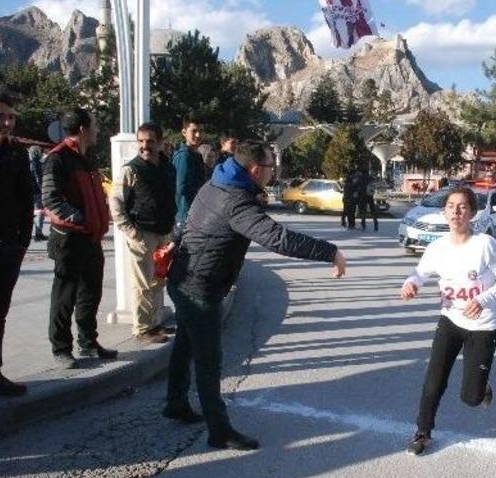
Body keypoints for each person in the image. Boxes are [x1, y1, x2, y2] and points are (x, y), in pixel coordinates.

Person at [164, 141, 347, 451]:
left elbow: (191, 224)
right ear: (254, 170)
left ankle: (176, 402)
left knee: (185, 344)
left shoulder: (217, 181)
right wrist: (330, 252)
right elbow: (278, 238)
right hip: (200, 287)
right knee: (209, 361)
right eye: (270, 169)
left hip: (184, 277)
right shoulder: (235, 201)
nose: (272, 174)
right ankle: (219, 431)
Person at [401, 187, 496, 455]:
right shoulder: (437, 248)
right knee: (434, 380)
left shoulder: (485, 245)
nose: (456, 211)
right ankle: (422, 433)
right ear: (444, 211)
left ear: (472, 213)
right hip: (450, 320)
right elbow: (419, 273)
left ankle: (481, 387)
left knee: (471, 398)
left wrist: (483, 300)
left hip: (483, 325)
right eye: (451, 206)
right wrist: (411, 284)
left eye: (463, 206)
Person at [42, 107, 117, 369]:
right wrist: (81, 219)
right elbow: (51, 199)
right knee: (65, 296)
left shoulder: (88, 157)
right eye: (94, 125)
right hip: (69, 240)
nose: (96, 130)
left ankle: (88, 342)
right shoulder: (58, 158)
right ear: (84, 129)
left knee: (90, 293)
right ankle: (61, 348)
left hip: (91, 239)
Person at [109, 122, 177, 344]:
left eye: (150, 141)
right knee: (142, 283)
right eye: (141, 141)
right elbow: (116, 202)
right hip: (143, 234)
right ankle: (142, 328)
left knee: (158, 281)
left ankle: (155, 323)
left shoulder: (167, 167)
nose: (145, 145)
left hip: (163, 233)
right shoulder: (131, 169)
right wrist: (131, 231)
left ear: (159, 142)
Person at [0, 89, 32, 396]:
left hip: (7, 246)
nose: (6, 122)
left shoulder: (16, 153)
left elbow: (25, 200)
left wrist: (22, 241)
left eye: (10, 117)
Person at [172, 114, 205, 238]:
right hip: (185, 215)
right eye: (194, 131)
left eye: (201, 131)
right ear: (184, 132)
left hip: (195, 214)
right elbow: (181, 188)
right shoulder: (184, 156)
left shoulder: (195, 155)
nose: (198, 135)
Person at [28, 145, 48, 241]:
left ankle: (33, 233)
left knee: (33, 212)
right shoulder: (36, 163)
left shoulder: (27, 162)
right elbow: (38, 178)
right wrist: (42, 189)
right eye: (40, 151)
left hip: (28, 191)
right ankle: (38, 233)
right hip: (36, 191)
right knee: (40, 211)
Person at [357, 166, 379, 231]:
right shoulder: (371, 178)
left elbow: (358, 187)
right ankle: (375, 223)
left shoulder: (360, 178)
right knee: (372, 210)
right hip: (370, 196)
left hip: (363, 196)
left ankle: (363, 224)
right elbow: (375, 185)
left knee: (363, 210)